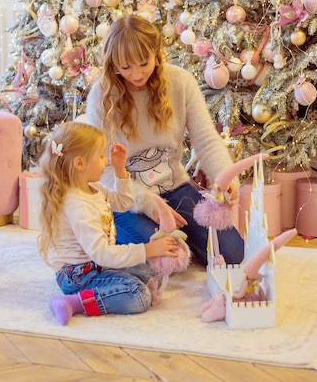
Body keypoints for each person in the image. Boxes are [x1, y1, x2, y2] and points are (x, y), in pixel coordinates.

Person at [85, 15, 244, 266]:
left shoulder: (180, 82)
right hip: (127, 198)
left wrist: (226, 180)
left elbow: (207, 141)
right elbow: (101, 169)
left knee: (233, 254)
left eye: (143, 63)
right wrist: (148, 204)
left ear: (156, 52)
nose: (136, 74)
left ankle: (180, 237)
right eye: (125, 67)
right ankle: (124, 232)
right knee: (161, 257)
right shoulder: (101, 96)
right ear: (112, 63)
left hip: (175, 188)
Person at [38, 121, 180, 325]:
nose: (105, 161)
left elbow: (124, 203)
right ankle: (73, 302)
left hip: (96, 264)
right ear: (80, 164)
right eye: (101, 156)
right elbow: (102, 253)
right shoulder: (77, 205)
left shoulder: (93, 188)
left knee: (150, 273)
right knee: (138, 295)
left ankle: (107, 291)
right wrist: (147, 249)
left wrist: (120, 169)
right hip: (78, 276)